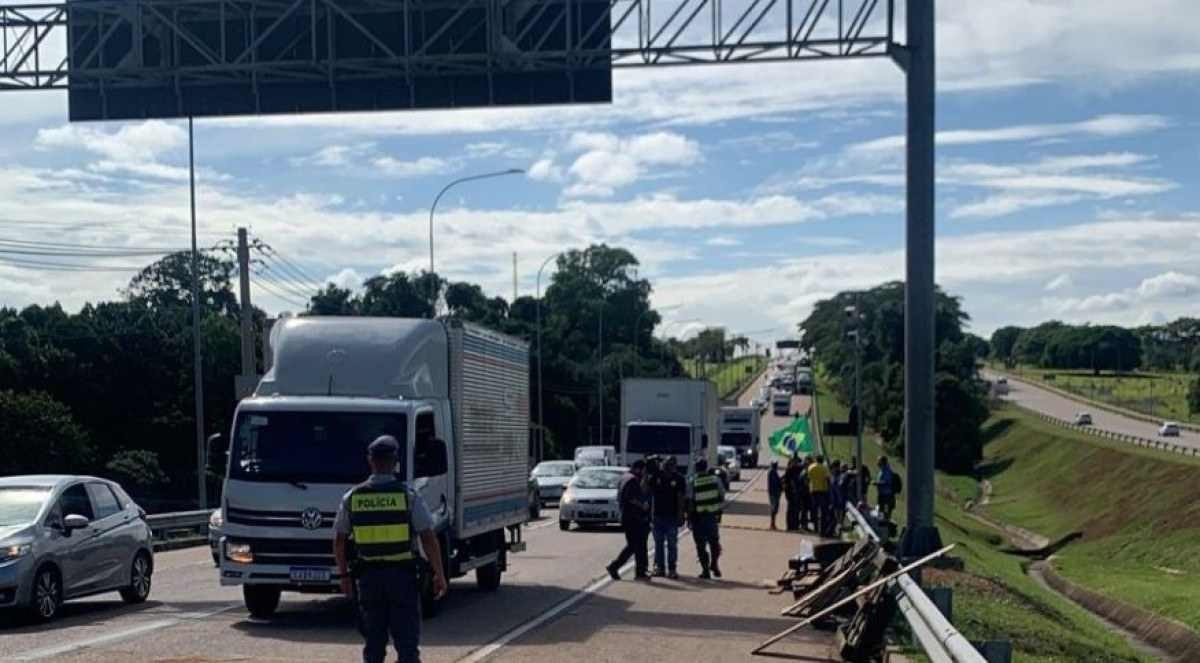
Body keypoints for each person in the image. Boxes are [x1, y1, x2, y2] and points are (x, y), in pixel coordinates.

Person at [334, 435, 447, 663]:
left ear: (370, 461)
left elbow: (339, 540)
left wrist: (344, 575)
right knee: (407, 647)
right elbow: (428, 536)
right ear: (395, 462)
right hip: (402, 579)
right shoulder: (408, 496)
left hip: (369, 580)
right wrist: (439, 574)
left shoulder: (352, 497)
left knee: (374, 645)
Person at [607, 459, 652, 581]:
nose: (643, 473)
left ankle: (640, 572)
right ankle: (614, 566)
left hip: (627, 516)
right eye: (643, 470)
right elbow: (632, 498)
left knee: (636, 545)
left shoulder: (624, 477)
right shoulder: (632, 480)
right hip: (633, 517)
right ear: (639, 468)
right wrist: (642, 505)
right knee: (634, 545)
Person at [649, 456, 686, 579]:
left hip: (672, 517)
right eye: (667, 465)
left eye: (671, 465)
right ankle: (660, 568)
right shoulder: (656, 476)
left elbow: (681, 498)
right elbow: (646, 489)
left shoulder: (679, 479)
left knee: (672, 544)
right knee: (658, 544)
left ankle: (672, 568)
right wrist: (647, 472)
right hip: (657, 516)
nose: (669, 467)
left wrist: (681, 515)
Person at [688, 458, 725, 579]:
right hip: (712, 516)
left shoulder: (693, 481)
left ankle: (705, 570)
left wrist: (689, 518)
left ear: (696, 468)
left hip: (698, 518)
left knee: (700, 545)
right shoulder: (715, 479)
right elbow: (722, 495)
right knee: (714, 542)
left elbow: (690, 500)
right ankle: (714, 564)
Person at [806, 455, 832, 537]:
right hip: (822, 491)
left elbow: (808, 478)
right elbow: (827, 479)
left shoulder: (811, 467)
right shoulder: (824, 468)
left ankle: (816, 528)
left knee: (814, 510)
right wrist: (829, 489)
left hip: (813, 490)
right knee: (823, 511)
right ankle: (822, 530)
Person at [782, 456, 802, 531]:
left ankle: (795, 526)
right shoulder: (790, 470)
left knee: (795, 510)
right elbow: (785, 481)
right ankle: (790, 526)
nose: (797, 464)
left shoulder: (795, 469)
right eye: (796, 462)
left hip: (795, 493)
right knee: (791, 510)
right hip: (791, 493)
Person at [876, 456, 896, 520]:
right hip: (882, 495)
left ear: (882, 462)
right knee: (881, 510)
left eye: (879, 461)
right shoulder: (882, 470)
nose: (877, 463)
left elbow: (887, 482)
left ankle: (885, 524)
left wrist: (877, 483)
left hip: (887, 495)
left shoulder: (887, 471)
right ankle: (881, 523)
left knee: (886, 511)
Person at [766, 460, 783, 530]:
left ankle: (773, 524)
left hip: (775, 493)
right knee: (774, 508)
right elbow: (774, 483)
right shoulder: (772, 472)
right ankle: (772, 524)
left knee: (775, 509)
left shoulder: (774, 472)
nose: (777, 466)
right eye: (776, 464)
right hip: (774, 493)